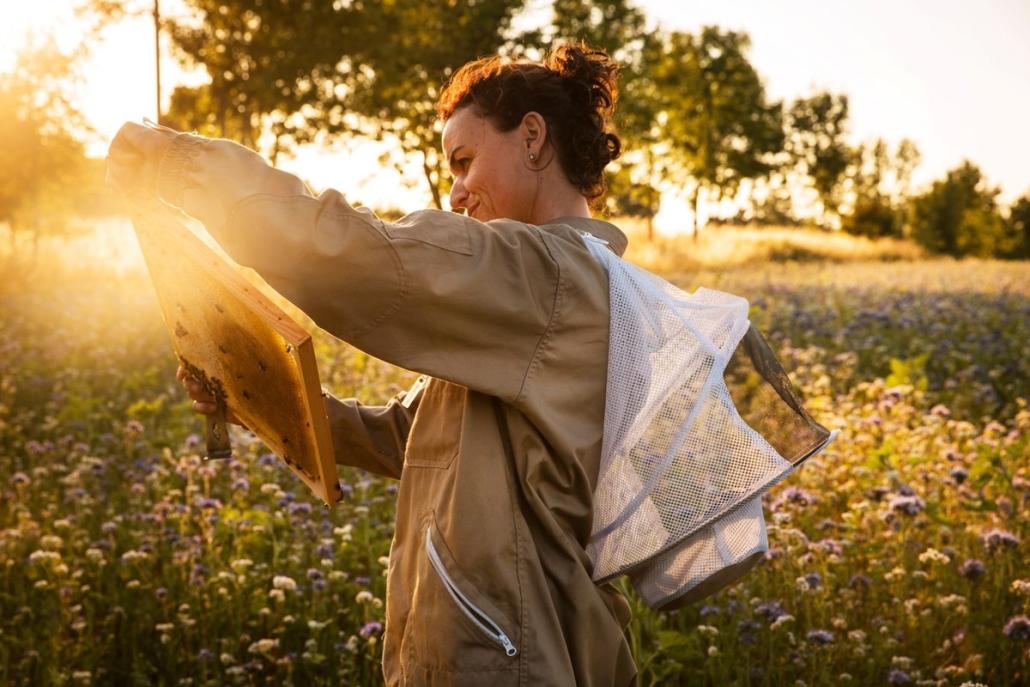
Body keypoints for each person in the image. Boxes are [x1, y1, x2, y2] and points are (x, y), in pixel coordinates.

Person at [108, 43, 638, 686]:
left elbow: (356, 254)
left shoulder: (549, 277)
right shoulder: (542, 293)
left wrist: (184, 164)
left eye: (465, 162)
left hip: (513, 654)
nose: (457, 193)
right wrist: (258, 398)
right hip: (501, 640)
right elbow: (406, 437)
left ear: (533, 137)